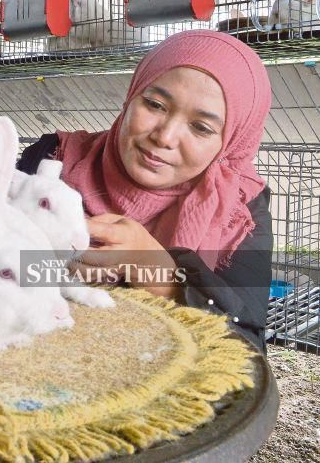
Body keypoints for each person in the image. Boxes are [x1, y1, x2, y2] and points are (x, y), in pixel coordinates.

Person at [17, 30, 273, 351]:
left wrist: (152, 268)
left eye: (201, 127)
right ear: (132, 94)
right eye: (155, 104)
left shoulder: (240, 210)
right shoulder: (52, 158)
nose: (165, 136)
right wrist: (47, 258)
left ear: (230, 142)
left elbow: (248, 345)